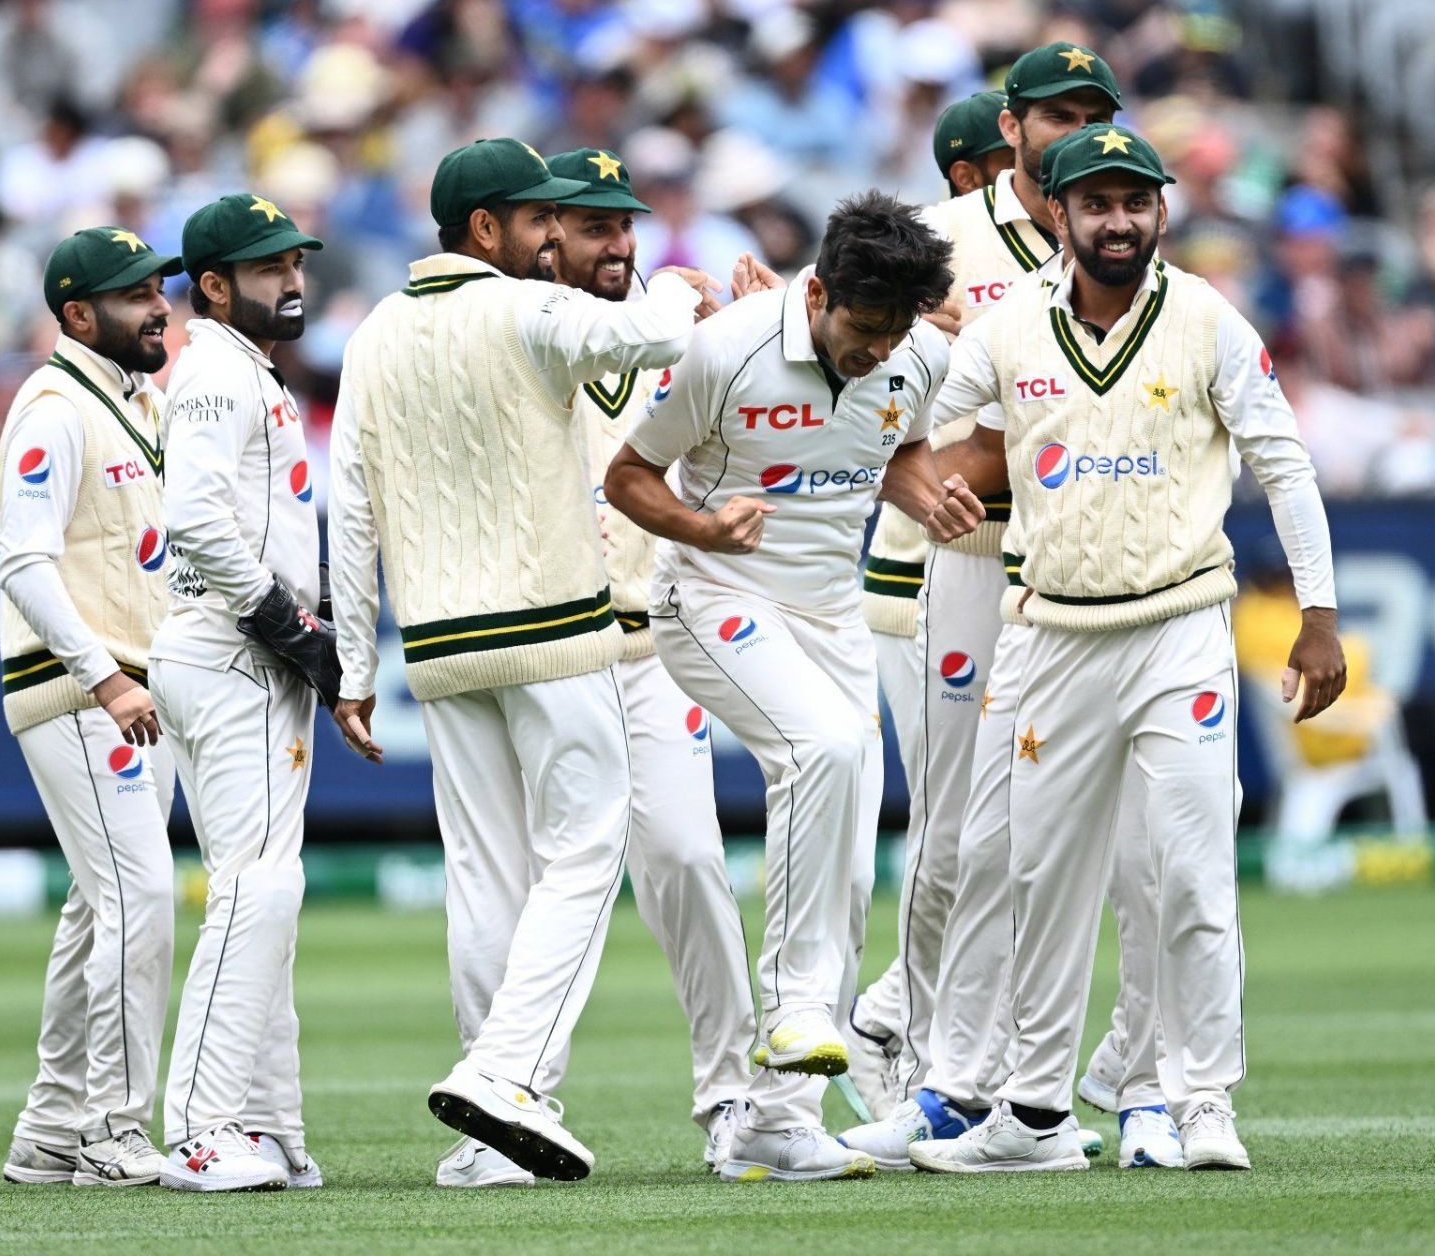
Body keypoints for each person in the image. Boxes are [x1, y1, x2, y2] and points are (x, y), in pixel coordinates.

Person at [909, 124, 1343, 1174]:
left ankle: (1201, 1102)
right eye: (1096, 203)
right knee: (1041, 879)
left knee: (1192, 874)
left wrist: (1319, 616)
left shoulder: (1206, 318)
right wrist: (912, 475)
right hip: (1051, 632)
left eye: (1135, 202)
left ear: (1161, 211)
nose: (1118, 220)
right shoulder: (1004, 331)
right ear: (1056, 211)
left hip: (1180, 626)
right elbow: (909, 426)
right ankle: (1038, 1115)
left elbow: (1282, 460)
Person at [326, 138, 717, 1184]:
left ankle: (487, 1138)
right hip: (552, 625)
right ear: (485, 229)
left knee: (485, 873)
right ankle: (507, 1072)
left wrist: (354, 665)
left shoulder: (370, 334)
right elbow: (646, 327)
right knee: (586, 851)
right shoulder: (522, 307)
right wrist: (680, 282)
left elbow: (349, 502)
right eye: (538, 218)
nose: (557, 232)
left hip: (440, 648)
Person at [605, 190, 979, 1184]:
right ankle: (797, 1009)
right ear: (817, 293)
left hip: (828, 613)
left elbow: (893, 445)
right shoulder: (726, 349)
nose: (874, 352)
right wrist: (700, 527)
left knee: (852, 857)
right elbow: (627, 477)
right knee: (824, 749)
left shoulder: (917, 356)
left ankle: (774, 1121)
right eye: (861, 330)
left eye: (893, 333)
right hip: (711, 595)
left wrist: (924, 487)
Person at [842, 42, 1137, 1167]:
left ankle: (1011, 1071)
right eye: (1054, 113)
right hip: (954, 560)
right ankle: (919, 1044)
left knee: (1060, 836)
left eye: (1091, 113)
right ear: (1007, 130)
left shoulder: (1121, 235)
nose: (1072, 131)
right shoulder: (941, 238)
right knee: (958, 828)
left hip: (1081, 565)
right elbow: (856, 374)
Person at [505, 144, 751, 1179]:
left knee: (690, 859)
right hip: (541, 649)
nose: (618, 244)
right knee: (522, 888)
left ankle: (735, 1093)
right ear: (544, 231)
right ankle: (514, 1100)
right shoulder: (508, 325)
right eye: (594, 225)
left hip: (647, 644)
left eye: (625, 225)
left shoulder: (680, 326)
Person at [151, 193, 339, 1193]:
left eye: (295, 262)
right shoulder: (219, 369)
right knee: (259, 885)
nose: (292, 279)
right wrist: (280, 617)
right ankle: (198, 1126)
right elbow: (192, 513)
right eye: (269, 268)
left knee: (263, 887)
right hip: (230, 651)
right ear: (214, 285)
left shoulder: (242, 367)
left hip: (224, 650)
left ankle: (265, 1122)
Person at [0, 226, 184, 1190]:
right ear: (79, 315)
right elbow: (23, 561)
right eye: (136, 294)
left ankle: (52, 1125)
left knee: (95, 904)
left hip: (134, 689)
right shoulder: (53, 406)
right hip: (81, 688)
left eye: (160, 286)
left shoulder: (140, 398)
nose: (160, 305)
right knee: (139, 895)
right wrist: (102, 676)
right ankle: (115, 1130)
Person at [849, 93, 1016, 1111]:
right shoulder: (929, 249)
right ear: (967, 170)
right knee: (955, 828)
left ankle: (956, 1047)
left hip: (1013, 567)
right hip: (918, 578)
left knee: (1012, 829)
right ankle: (895, 1020)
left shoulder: (1058, 253)